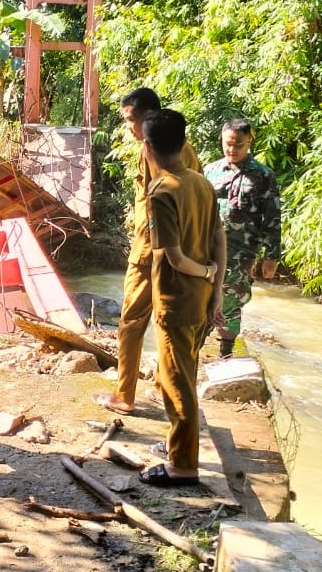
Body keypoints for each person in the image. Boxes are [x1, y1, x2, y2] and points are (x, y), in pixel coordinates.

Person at [93, 87, 201, 414]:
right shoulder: (183, 148)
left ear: (147, 118)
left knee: (131, 322)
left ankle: (124, 395)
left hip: (151, 252)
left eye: (130, 120)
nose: (127, 127)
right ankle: (161, 391)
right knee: (168, 324)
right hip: (179, 252)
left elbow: (161, 207)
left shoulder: (154, 150)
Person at [136, 109, 226, 486]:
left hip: (176, 298)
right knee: (181, 372)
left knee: (176, 383)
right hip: (202, 298)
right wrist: (216, 287)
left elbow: (174, 257)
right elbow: (219, 238)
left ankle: (184, 465)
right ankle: (178, 445)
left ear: (148, 146)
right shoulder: (201, 183)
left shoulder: (161, 191)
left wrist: (205, 272)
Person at [203, 119, 281, 358]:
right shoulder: (209, 171)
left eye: (239, 144)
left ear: (249, 142)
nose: (232, 149)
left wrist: (271, 256)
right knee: (202, 295)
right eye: (228, 143)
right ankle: (194, 346)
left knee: (233, 300)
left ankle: (225, 353)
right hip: (208, 249)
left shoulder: (263, 176)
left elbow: (272, 217)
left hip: (242, 252)